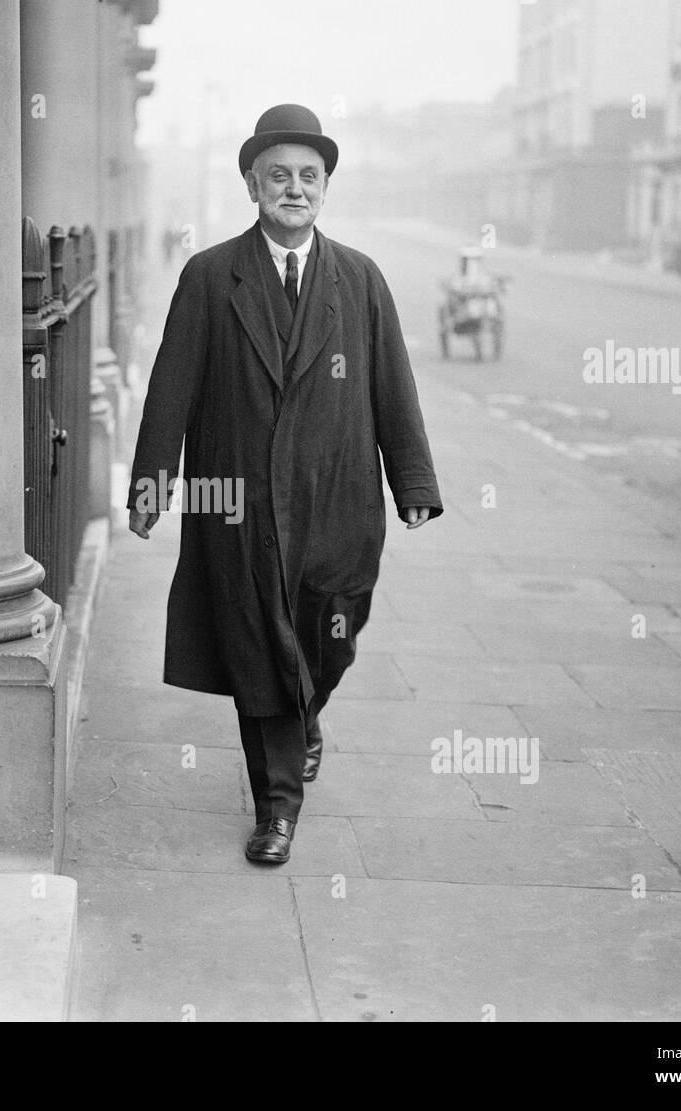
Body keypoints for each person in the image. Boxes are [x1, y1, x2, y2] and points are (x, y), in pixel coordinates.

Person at [127, 103, 443, 864]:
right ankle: (276, 807)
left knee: (330, 636)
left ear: (325, 187)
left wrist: (413, 482)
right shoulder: (210, 276)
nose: (293, 189)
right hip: (240, 505)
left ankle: (307, 714)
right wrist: (151, 483)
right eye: (278, 176)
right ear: (251, 184)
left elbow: (393, 387)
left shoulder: (361, 280)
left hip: (339, 502)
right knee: (259, 645)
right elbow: (172, 385)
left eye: (308, 176)